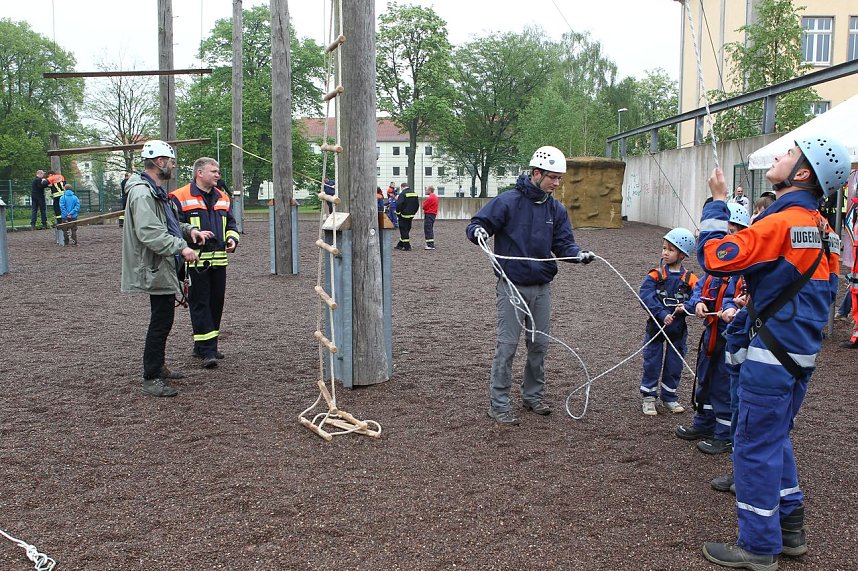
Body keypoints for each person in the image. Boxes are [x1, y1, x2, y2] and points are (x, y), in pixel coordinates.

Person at [698, 136, 848, 570]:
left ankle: (760, 546)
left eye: (787, 154)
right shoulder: (826, 231)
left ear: (802, 174)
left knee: (752, 445)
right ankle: (791, 527)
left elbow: (716, 257)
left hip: (772, 356)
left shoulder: (780, 224)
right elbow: (815, 292)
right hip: (797, 355)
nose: (779, 156)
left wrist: (717, 203)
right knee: (774, 437)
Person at [466, 146, 595, 426]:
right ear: (536, 173)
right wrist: (478, 232)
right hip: (511, 285)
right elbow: (478, 223)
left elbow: (563, 244)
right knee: (507, 346)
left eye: (560, 178)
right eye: (552, 177)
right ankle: (498, 404)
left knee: (539, 345)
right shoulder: (508, 202)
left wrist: (578, 254)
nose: (557, 184)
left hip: (542, 286)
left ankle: (532, 396)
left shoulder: (555, 209)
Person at [121, 140, 212, 397]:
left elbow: (169, 224)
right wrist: (181, 247)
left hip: (161, 264)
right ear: (160, 162)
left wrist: (190, 231)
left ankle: (158, 367)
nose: (173, 166)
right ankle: (151, 377)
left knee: (163, 318)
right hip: (155, 264)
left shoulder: (156, 192)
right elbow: (150, 232)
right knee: (160, 321)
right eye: (171, 161)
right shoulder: (143, 193)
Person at [675, 205, 748, 454]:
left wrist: (732, 309)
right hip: (711, 335)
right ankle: (704, 422)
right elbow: (700, 290)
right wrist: (698, 304)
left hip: (729, 338)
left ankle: (724, 433)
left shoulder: (743, 270)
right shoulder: (714, 270)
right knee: (704, 378)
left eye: (733, 232)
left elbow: (741, 297)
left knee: (724, 384)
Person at [169, 157, 240, 369]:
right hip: (194, 260)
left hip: (219, 259)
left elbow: (233, 224)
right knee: (200, 303)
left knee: (216, 302)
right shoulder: (180, 196)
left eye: (218, 171)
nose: (218, 175)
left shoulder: (223, 198)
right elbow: (173, 227)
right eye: (214, 171)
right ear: (199, 173)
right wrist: (192, 238)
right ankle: (208, 350)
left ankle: (203, 346)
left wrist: (232, 239)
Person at [638, 227, 699, 416]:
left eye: (670, 250)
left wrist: (687, 307)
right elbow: (645, 296)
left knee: (675, 363)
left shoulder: (690, 279)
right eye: (664, 248)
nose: (665, 252)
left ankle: (669, 397)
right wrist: (662, 313)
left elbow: (699, 296)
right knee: (652, 361)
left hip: (678, 329)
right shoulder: (655, 275)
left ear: (682, 254)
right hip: (656, 326)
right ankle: (648, 397)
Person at [394, 182, 419, 250]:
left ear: (402, 187)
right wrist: (413, 213)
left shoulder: (402, 194)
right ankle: (400, 245)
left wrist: (398, 213)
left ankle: (407, 246)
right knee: (407, 229)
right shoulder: (414, 193)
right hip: (411, 215)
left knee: (403, 230)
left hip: (403, 215)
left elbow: (399, 204)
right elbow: (417, 205)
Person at [422, 185, 438, 250]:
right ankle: (430, 243)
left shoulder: (431, 197)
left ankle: (430, 245)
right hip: (432, 214)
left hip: (429, 214)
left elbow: (424, 206)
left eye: (426, 190)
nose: (425, 191)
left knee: (428, 229)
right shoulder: (434, 197)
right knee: (429, 228)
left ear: (429, 190)